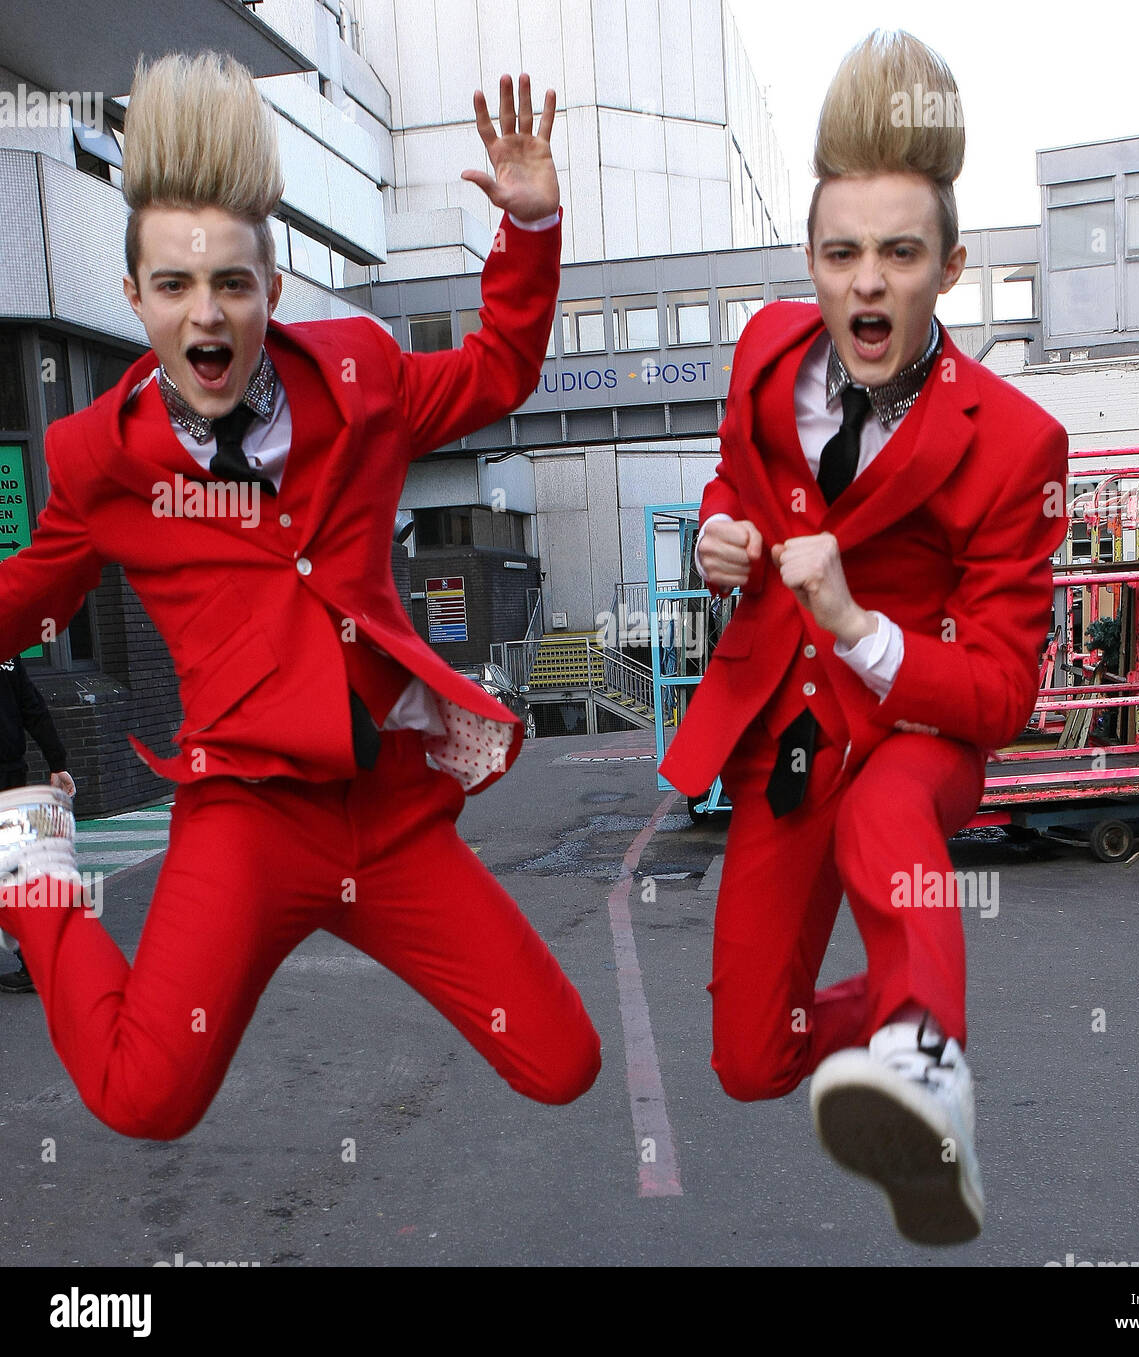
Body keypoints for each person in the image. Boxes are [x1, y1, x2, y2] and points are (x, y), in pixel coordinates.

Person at [0, 52, 599, 1139]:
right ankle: (30, 871)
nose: (206, 314)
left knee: (564, 1062)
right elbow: (26, 601)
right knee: (146, 1098)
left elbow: (499, 371)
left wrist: (530, 229)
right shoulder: (98, 459)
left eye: (231, 282)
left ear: (270, 290)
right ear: (134, 297)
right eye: (175, 286)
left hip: (387, 816)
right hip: (247, 820)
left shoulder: (362, 380)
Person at [659, 29, 1069, 1244]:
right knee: (749, 1057)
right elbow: (734, 483)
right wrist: (716, 535)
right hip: (783, 734)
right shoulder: (760, 354)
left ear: (950, 266)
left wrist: (856, 626)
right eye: (842, 254)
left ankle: (930, 1070)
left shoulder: (1014, 442)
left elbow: (1003, 693)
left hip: (917, 721)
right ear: (810, 259)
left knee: (891, 816)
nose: (866, 284)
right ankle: (896, 1033)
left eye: (899, 253)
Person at [0, 654, 75, 993]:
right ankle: (37, 958)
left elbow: (31, 704)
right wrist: (56, 761)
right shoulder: (7, 649)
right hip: (11, 775)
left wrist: (57, 761)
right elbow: (32, 706)